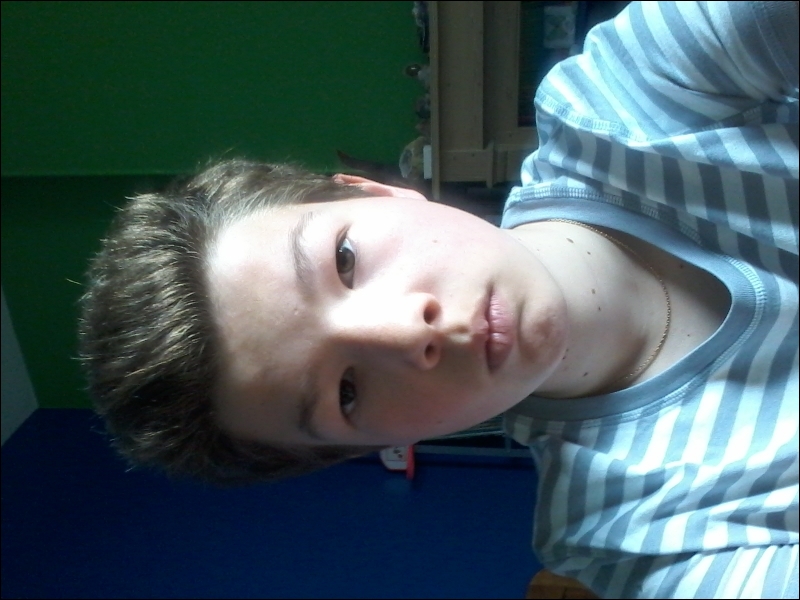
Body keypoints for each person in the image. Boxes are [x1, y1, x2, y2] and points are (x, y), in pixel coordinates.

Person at [78, 1, 797, 597]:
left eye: (344, 260)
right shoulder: (632, 535)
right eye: (347, 393)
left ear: (376, 191)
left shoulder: (627, 101)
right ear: (373, 446)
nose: (407, 333)